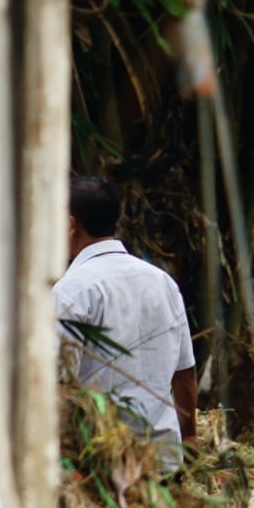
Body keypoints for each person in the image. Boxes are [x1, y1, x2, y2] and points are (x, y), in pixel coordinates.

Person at [54, 176, 199, 483]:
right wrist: (189, 438)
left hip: (100, 468)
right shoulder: (162, 282)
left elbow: (60, 389)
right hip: (163, 462)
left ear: (70, 224)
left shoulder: (72, 291)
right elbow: (184, 374)